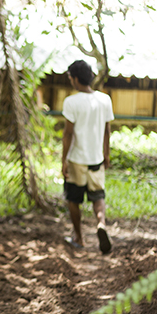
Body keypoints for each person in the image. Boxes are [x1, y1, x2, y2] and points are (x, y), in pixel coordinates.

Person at [61, 59, 114, 254]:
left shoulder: (71, 102)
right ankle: (101, 224)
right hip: (96, 158)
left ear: (75, 79)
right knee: (98, 196)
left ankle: (79, 237)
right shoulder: (104, 100)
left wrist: (63, 160)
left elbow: (68, 134)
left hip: (77, 159)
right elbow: (107, 131)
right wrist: (106, 154)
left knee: (74, 199)